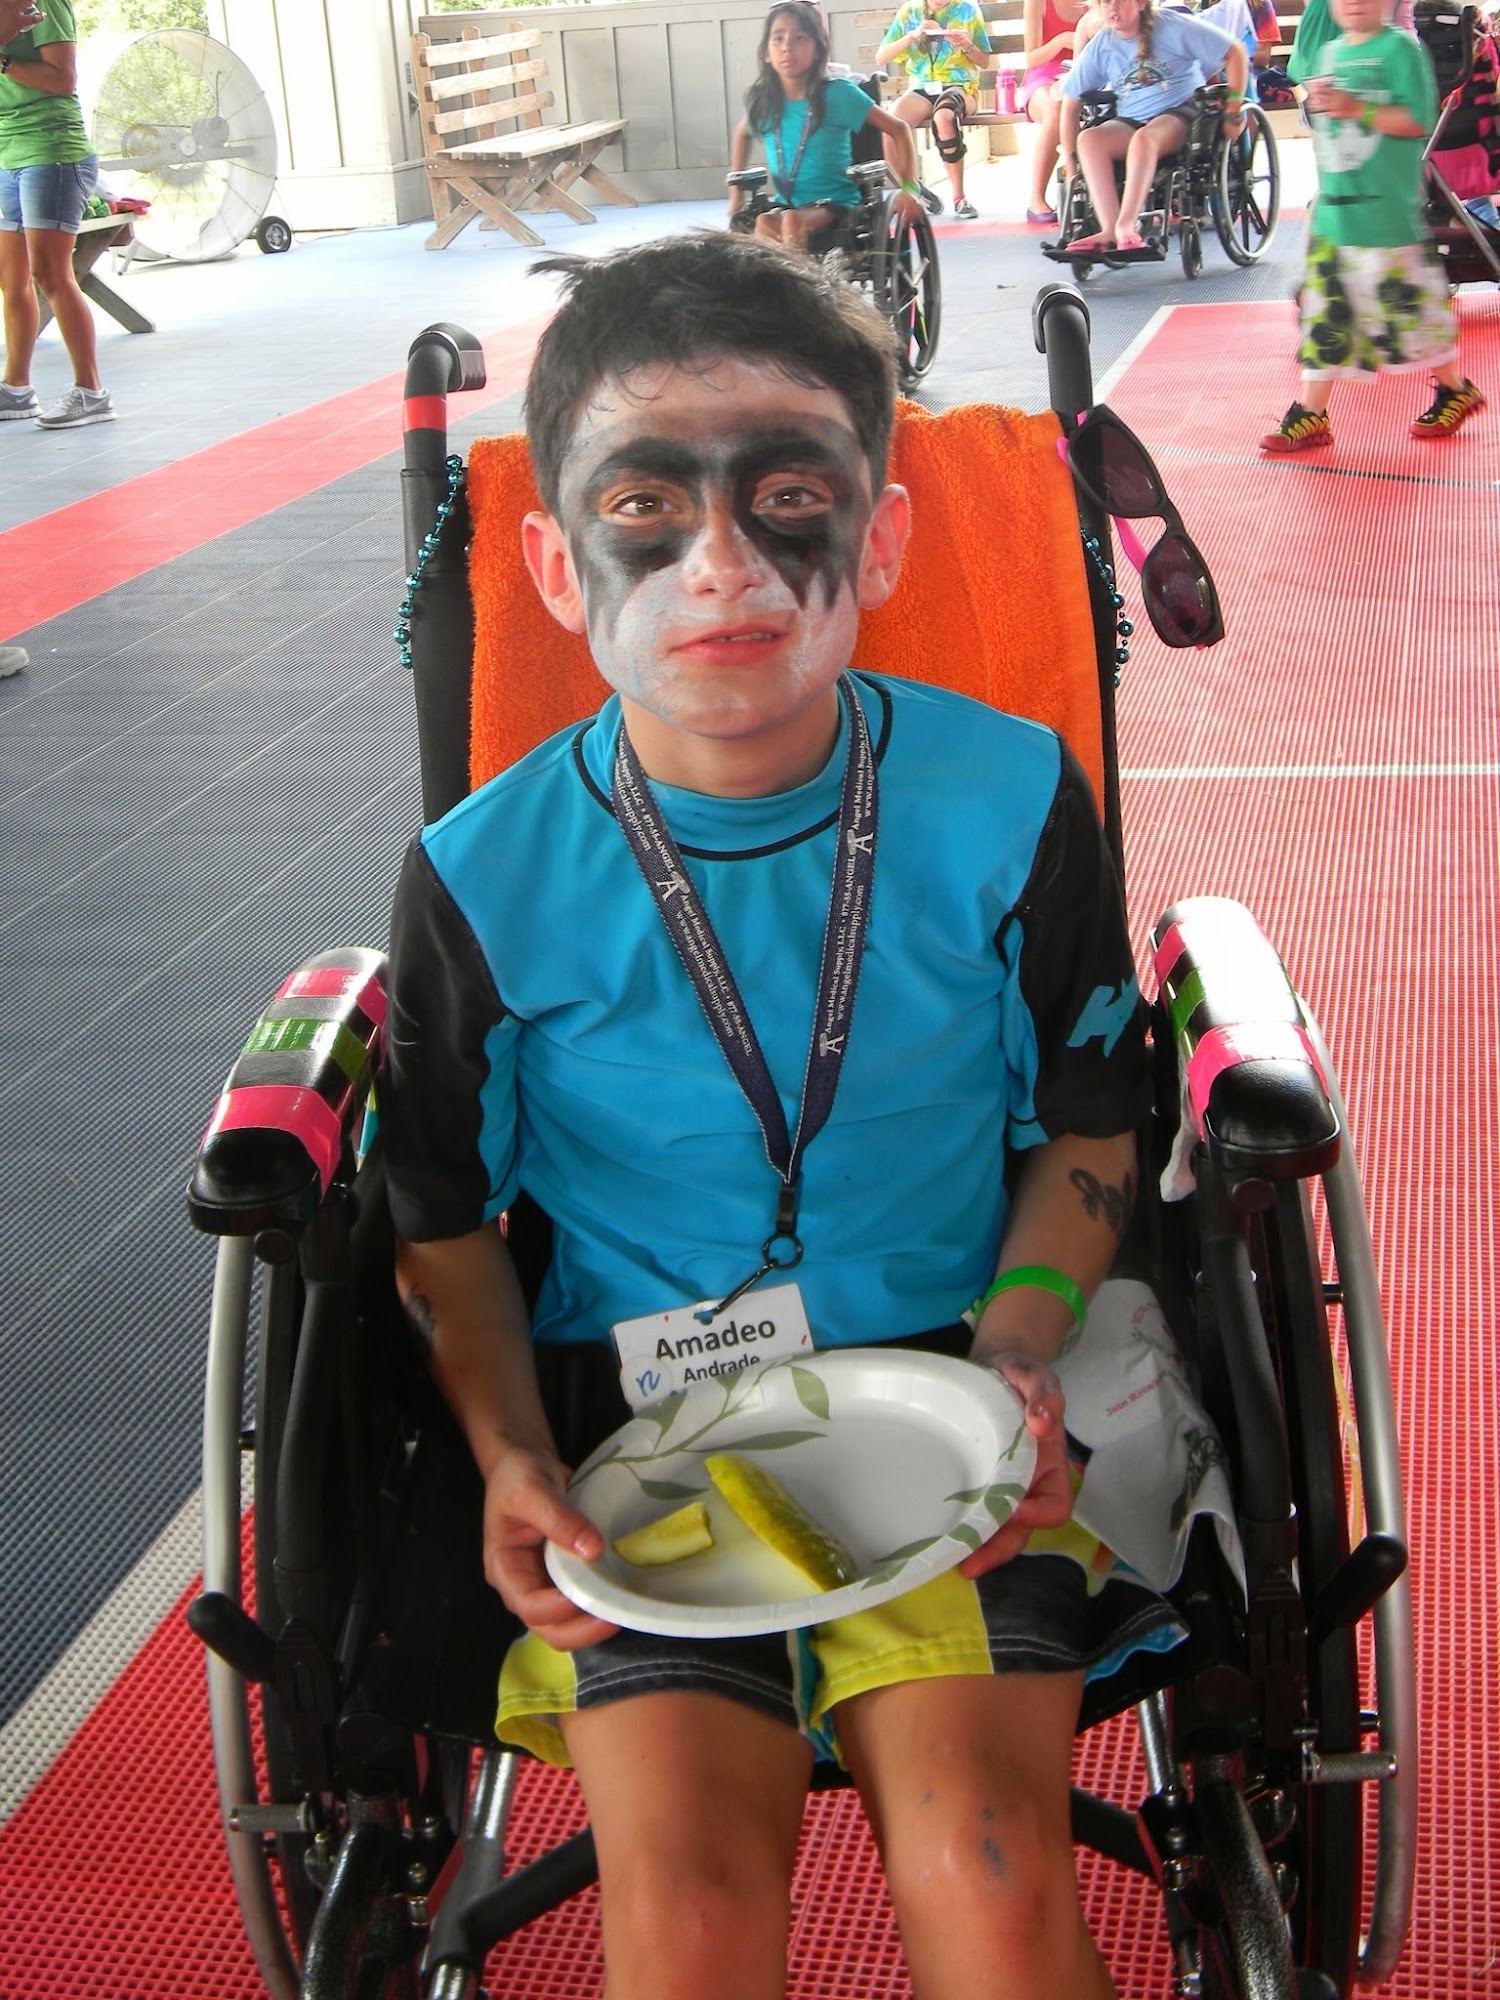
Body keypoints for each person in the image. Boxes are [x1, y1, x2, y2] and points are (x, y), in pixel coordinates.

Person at [381, 230, 1187, 2000]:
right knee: (689, 1921)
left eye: (793, 497)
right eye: (644, 507)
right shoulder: (484, 877)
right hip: (639, 1441)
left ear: (881, 540)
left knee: (990, 1873)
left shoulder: (1006, 798)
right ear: (554, 564)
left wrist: (1021, 1349)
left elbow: (1094, 1124)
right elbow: (439, 1223)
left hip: (958, 1397)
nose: (725, 567)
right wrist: (508, 1451)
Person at [1262, 0, 1485, 449]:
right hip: (1337, 215)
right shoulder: (1329, 54)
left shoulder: (1400, 50)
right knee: (1327, 318)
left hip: (1387, 216)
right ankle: (1311, 410)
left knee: (1411, 314)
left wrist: (1356, 108)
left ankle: (1455, 387)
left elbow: (1419, 120)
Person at [0, 0, 115, 429]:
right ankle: (16, 389)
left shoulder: (43, 3)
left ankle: (92, 392)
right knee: (11, 279)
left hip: (53, 152)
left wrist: (4, 59)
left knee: (51, 275)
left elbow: (63, 80)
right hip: (8, 152)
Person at [729, 1, 924, 252]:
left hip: (837, 203)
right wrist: (736, 195)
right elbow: (742, 134)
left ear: (818, 50)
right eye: (778, 39)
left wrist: (909, 187)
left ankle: (799, 277)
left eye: (800, 38)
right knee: (764, 222)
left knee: (792, 222)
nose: (787, 46)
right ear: (766, 53)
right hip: (788, 203)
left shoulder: (838, 94)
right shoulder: (765, 102)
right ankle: (776, 277)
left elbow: (899, 129)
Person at [1057, 0, 1248, 251]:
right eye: (1105, 2)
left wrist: (1233, 108)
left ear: (1141, 3)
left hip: (1182, 113)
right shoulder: (1102, 44)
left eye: (1120, 0)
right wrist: (1071, 167)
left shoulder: (1172, 26)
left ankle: (1126, 225)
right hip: (1132, 119)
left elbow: (1235, 52)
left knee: (1144, 139)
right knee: (1089, 140)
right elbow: (1070, 103)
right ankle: (1109, 229)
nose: (1112, 7)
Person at [876, 0, 994, 215]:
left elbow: (984, 61)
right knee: (890, 126)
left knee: (944, 117)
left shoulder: (967, 9)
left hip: (960, 86)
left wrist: (965, 44)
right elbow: (881, 57)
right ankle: (912, 188)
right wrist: (912, 36)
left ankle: (959, 197)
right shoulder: (909, 12)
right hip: (922, 87)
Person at [1020, 0, 1098, 222]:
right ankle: (1037, 198)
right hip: (1044, 77)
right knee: (1056, 109)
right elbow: (1031, 58)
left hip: (1084, 73)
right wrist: (1062, 40)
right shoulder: (1037, 3)